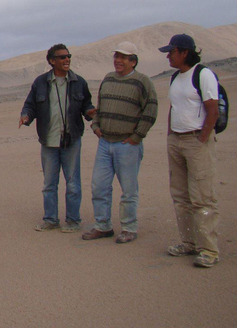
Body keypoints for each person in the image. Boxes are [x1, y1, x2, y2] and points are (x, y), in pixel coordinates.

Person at [83, 42, 158, 244]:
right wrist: (95, 126)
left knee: (128, 189)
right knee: (99, 186)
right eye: (116, 56)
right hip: (105, 143)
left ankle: (129, 228)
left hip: (127, 145)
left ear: (133, 61)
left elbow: (150, 110)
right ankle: (102, 226)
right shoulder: (107, 79)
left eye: (123, 57)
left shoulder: (143, 82)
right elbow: (101, 106)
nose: (118, 61)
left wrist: (137, 136)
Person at [159, 34, 220, 268]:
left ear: (184, 52)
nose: (167, 56)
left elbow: (212, 110)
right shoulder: (175, 77)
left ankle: (209, 249)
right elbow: (174, 108)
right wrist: (170, 135)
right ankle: (188, 242)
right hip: (176, 140)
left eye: (171, 51)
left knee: (202, 197)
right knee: (180, 196)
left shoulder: (202, 74)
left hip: (196, 140)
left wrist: (202, 138)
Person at [19, 44, 95, 233]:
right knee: (49, 184)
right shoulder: (40, 83)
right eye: (62, 57)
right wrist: (26, 116)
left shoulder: (79, 82)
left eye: (68, 56)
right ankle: (51, 219)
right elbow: (30, 105)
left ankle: (73, 221)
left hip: (71, 139)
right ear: (52, 61)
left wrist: (91, 112)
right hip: (49, 140)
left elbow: (87, 105)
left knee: (73, 183)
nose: (67, 59)